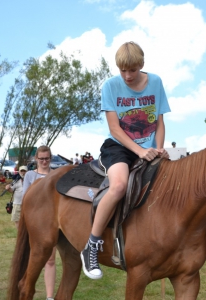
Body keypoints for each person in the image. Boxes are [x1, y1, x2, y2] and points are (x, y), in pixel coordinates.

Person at [80, 41, 171, 280]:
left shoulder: (156, 82)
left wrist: (159, 148)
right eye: (123, 70)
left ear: (142, 65)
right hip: (119, 147)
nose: (127, 76)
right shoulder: (110, 86)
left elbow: (159, 122)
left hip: (150, 148)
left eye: (132, 70)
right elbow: (115, 128)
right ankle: (92, 244)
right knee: (119, 186)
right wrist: (140, 152)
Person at [22, 146, 56, 300]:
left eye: (47, 158)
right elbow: (25, 198)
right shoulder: (30, 175)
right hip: (36, 220)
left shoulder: (56, 174)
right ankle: (27, 287)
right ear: (36, 159)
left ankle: (49, 296)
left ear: (50, 158)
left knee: (50, 258)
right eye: (41, 158)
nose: (44, 161)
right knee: (33, 256)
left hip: (53, 220)